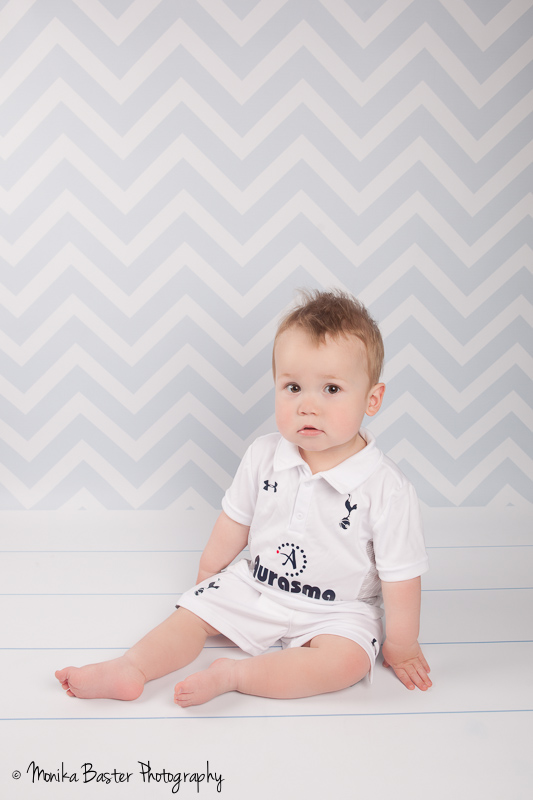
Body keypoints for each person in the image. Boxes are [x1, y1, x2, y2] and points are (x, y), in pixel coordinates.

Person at [56, 289, 432, 706]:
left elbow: (401, 578)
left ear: (372, 399)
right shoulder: (264, 456)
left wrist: (403, 646)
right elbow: (234, 521)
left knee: (346, 663)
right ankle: (132, 668)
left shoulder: (387, 488)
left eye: (331, 388)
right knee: (189, 617)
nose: (307, 405)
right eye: (293, 387)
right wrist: (208, 578)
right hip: (258, 585)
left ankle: (234, 675)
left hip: (338, 610)